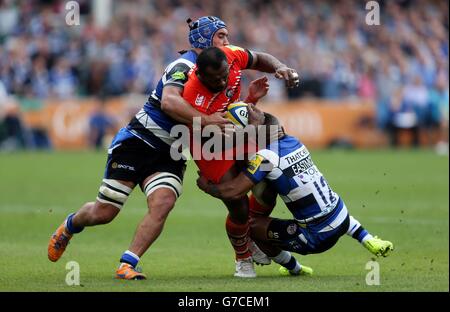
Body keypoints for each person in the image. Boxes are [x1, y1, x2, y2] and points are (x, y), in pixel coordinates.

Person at [47, 16, 243, 280]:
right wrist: (208, 122)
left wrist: (276, 72)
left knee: (163, 202)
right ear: (204, 39)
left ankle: (127, 264)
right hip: (138, 141)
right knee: (105, 212)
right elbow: (169, 104)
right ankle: (70, 226)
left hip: (168, 151)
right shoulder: (183, 65)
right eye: (221, 36)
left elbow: (252, 60)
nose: (227, 41)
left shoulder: (220, 71)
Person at [196, 106, 394, 276]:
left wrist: (208, 187)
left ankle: (295, 268)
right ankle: (368, 239)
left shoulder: (267, 157)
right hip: (343, 217)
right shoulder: (295, 142)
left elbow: (234, 191)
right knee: (318, 203)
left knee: (248, 224)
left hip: (315, 237)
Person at [180, 46, 299, 277]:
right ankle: (243, 257)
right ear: (200, 75)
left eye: (225, 75)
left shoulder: (231, 55)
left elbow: (260, 57)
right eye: (216, 79)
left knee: (268, 180)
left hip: (238, 132)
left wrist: (279, 67)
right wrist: (253, 127)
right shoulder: (191, 98)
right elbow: (216, 142)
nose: (223, 81)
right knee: (237, 202)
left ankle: (251, 231)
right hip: (207, 145)